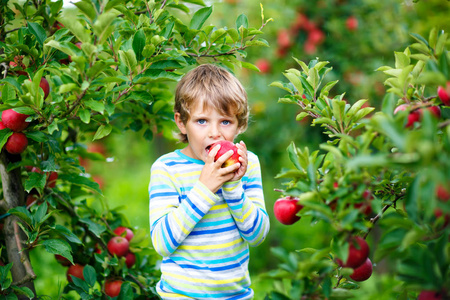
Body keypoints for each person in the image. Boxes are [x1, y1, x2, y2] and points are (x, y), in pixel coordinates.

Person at [148, 64, 270, 299]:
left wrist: (233, 186)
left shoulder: (248, 164)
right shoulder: (167, 169)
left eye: (225, 122)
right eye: (202, 121)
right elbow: (162, 243)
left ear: (240, 124)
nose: (215, 133)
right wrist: (204, 188)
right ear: (182, 123)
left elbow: (257, 236)